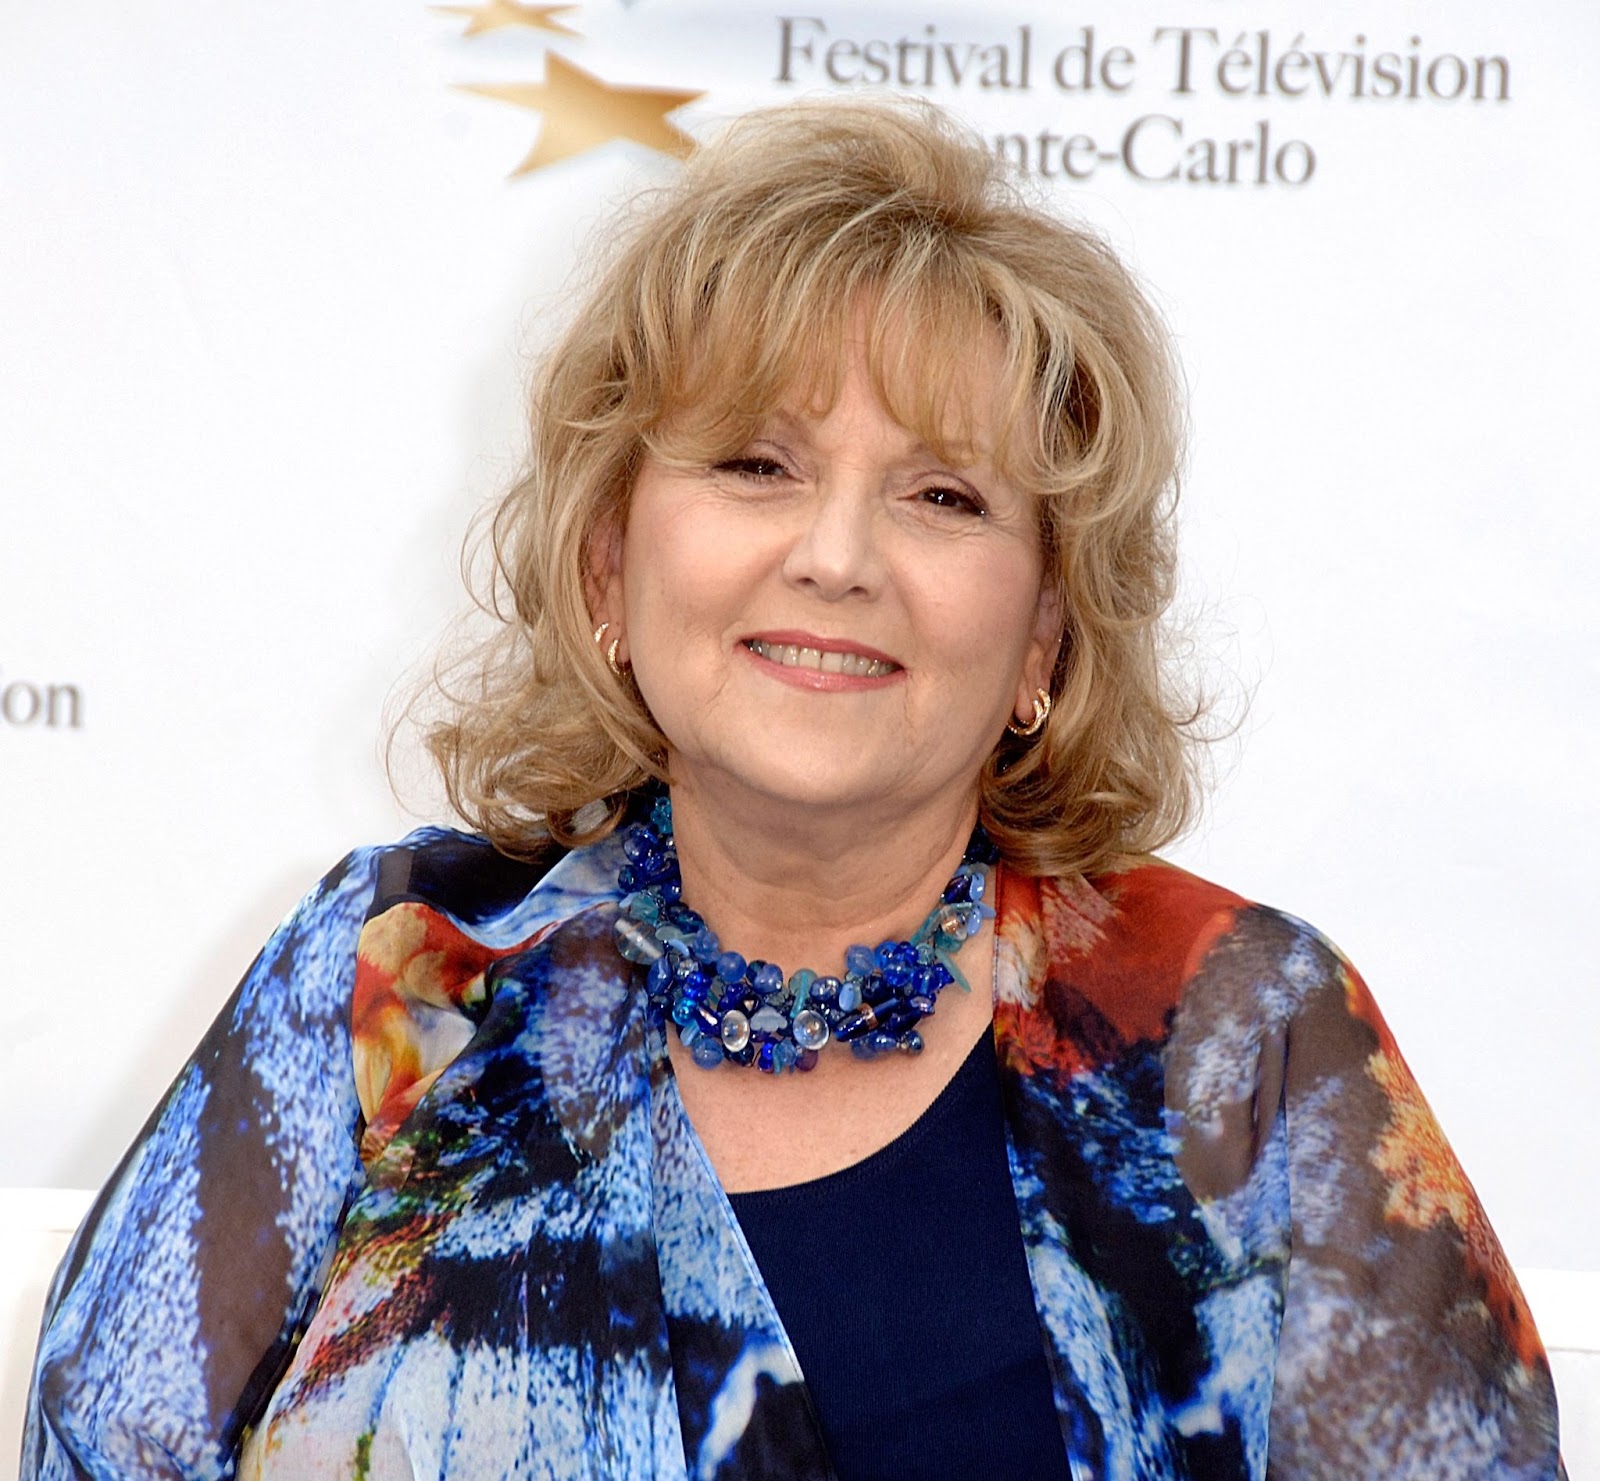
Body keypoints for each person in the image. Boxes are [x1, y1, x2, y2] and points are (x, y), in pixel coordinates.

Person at [23, 99, 1563, 1481]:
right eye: (756, 464)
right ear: (611, 564)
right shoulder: (391, 978)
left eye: (943, 494)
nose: (836, 555)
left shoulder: (1237, 1029)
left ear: (1042, 633)